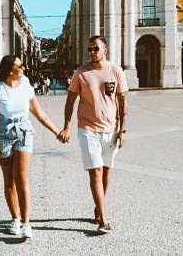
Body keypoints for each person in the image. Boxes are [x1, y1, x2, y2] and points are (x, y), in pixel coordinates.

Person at [58, 36, 128, 235]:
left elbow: (122, 101)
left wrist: (122, 130)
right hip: (87, 130)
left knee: (106, 172)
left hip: (111, 129)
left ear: (105, 50)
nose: (92, 52)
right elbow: (70, 102)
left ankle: (99, 207)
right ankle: (104, 220)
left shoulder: (116, 71)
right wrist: (66, 126)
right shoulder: (80, 73)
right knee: (95, 172)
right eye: (89, 49)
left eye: (96, 48)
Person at [0, 55, 60, 239]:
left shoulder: (26, 88)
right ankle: (15, 219)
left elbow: (40, 114)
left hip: (24, 132)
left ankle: (27, 223)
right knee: (9, 181)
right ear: (11, 70)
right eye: (20, 66)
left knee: (22, 177)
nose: (24, 68)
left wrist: (56, 131)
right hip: (4, 135)